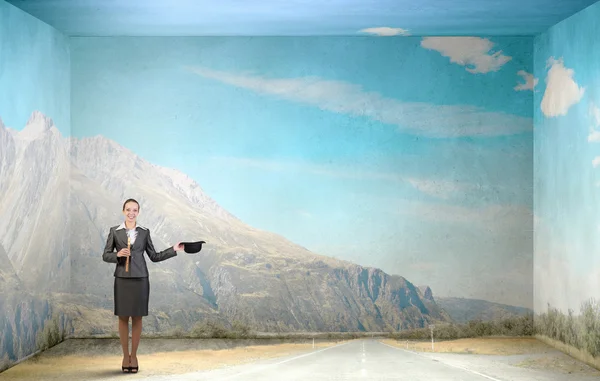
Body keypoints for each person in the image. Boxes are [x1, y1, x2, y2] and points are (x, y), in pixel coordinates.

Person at [102, 198, 183, 373]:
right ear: (123, 211)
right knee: (123, 318)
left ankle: (135, 355)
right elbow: (105, 255)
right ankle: (125, 356)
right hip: (122, 279)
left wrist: (173, 249)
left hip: (140, 279)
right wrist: (117, 254)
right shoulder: (114, 232)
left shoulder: (144, 232)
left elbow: (154, 256)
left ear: (138, 212)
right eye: (128, 209)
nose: (131, 213)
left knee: (137, 318)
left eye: (135, 210)